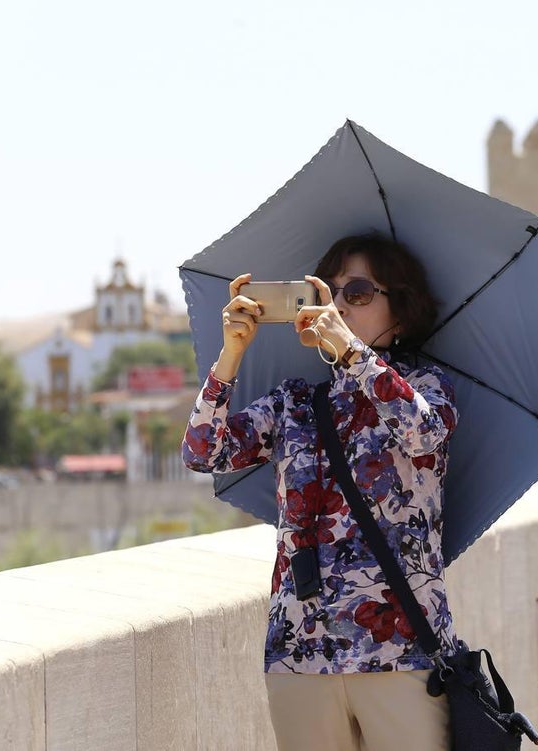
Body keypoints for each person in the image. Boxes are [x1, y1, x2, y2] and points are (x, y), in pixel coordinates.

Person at [181, 234, 457, 751]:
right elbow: (203, 452)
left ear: (401, 307)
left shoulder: (428, 386)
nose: (336, 307)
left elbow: (423, 432)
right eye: (327, 293)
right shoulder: (296, 402)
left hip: (399, 651)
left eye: (356, 293)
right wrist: (231, 355)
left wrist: (350, 350)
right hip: (300, 651)